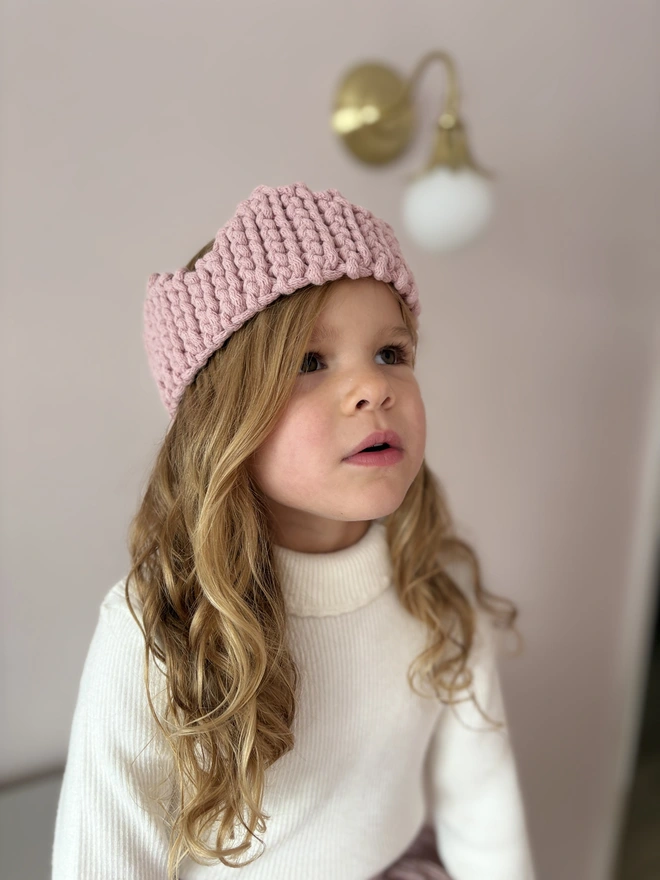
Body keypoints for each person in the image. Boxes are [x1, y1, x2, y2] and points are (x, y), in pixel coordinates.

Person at [51, 182, 536, 880]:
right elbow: (102, 860)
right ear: (227, 424)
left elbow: (482, 807)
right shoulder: (153, 631)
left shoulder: (437, 582)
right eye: (311, 363)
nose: (373, 388)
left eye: (391, 353)